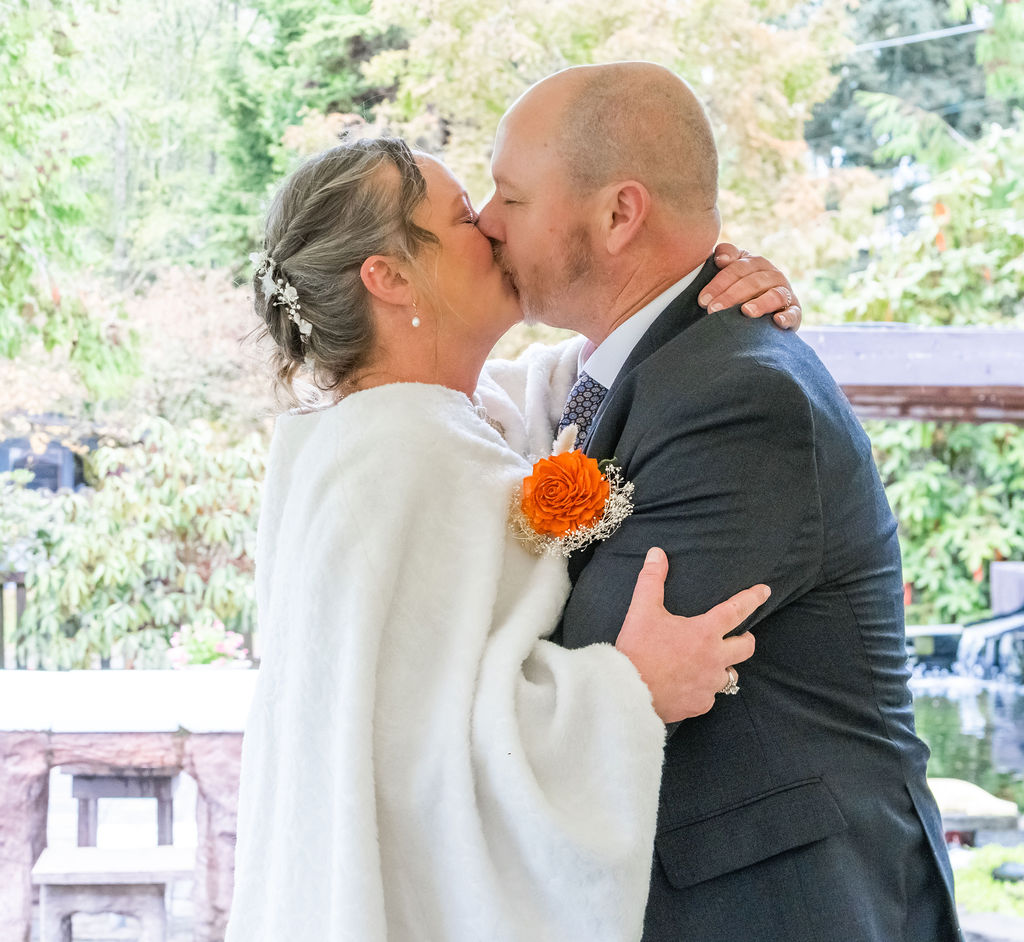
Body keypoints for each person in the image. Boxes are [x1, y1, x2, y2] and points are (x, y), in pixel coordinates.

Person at [225, 137, 799, 942]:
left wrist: (703, 292)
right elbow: (416, 767)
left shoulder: (417, 424)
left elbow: (594, 369)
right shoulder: (402, 457)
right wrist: (630, 689)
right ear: (387, 278)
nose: (495, 226)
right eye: (463, 215)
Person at [477, 61, 962, 942]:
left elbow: (587, 659)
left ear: (620, 214)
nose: (484, 221)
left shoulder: (739, 398)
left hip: (783, 907)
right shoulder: (643, 370)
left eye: (509, 196)